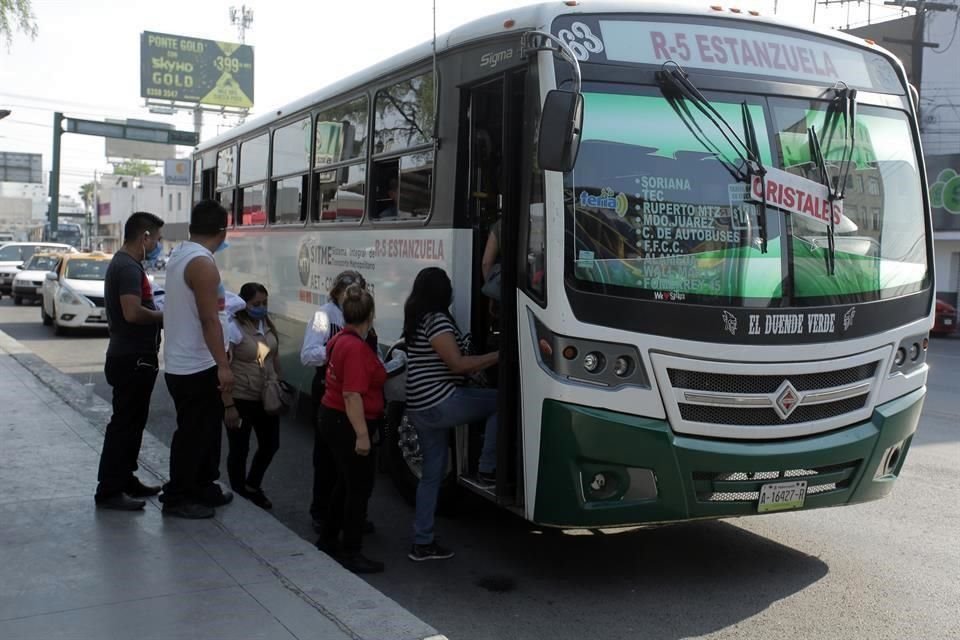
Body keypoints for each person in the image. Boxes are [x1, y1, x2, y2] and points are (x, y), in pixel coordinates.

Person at [403, 267, 499, 561]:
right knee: (500, 402)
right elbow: (457, 364)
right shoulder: (437, 321)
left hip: (419, 406)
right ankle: (486, 470)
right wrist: (500, 355)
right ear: (442, 292)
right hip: (439, 402)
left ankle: (423, 542)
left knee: (431, 476)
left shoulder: (419, 318)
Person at [159, 199, 238, 519]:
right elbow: (208, 319)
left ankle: (203, 485)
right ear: (222, 231)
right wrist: (223, 364)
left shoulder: (182, 254)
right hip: (195, 364)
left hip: (189, 360)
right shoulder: (202, 264)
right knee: (192, 434)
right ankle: (178, 497)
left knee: (206, 432)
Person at [94, 211, 165, 511]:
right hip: (131, 357)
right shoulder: (126, 267)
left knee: (134, 423)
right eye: (158, 239)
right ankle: (110, 490)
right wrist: (165, 315)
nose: (159, 244)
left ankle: (126, 478)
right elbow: (132, 313)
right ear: (144, 237)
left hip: (137, 355)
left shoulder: (130, 265)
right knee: (124, 424)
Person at [315, 284, 386, 574]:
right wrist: (362, 435)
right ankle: (351, 551)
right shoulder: (355, 348)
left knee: (344, 484)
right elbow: (352, 394)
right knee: (358, 489)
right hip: (347, 422)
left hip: (332, 417)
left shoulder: (341, 340)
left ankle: (329, 539)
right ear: (370, 314)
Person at [301, 270, 368, 531]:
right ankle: (321, 511)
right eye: (349, 291)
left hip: (354, 391)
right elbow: (308, 354)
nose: (354, 296)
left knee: (353, 459)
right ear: (337, 292)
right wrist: (337, 352)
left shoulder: (362, 316)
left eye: (359, 291)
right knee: (326, 455)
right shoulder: (323, 316)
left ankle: (350, 513)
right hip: (329, 388)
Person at [223, 282, 281, 510]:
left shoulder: (266, 324)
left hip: (266, 396)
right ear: (244, 304)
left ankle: (252, 485)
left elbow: (270, 357)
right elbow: (224, 368)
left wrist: (279, 383)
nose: (261, 307)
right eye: (256, 304)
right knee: (239, 448)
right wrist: (228, 405)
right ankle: (239, 492)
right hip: (241, 397)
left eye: (265, 303)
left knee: (271, 444)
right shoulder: (233, 327)